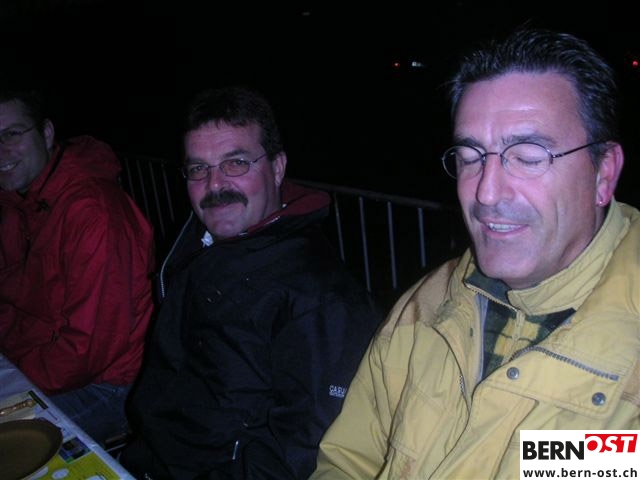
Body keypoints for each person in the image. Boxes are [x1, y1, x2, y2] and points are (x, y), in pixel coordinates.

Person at [310, 27, 639, 479]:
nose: (486, 192)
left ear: (603, 174)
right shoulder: (426, 307)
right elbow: (349, 461)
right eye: (470, 157)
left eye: (527, 156)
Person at [119, 86, 383, 479]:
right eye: (198, 169)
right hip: (146, 456)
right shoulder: (199, 247)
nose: (214, 186)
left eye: (236, 163)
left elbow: (303, 454)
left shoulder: (321, 297)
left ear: (277, 167)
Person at [0, 82, 155, 446]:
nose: (1, 150)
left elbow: (87, 350)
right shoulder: (16, 203)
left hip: (108, 386)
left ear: (46, 133)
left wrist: (16, 377)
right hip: (38, 364)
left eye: (12, 133)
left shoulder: (95, 213)